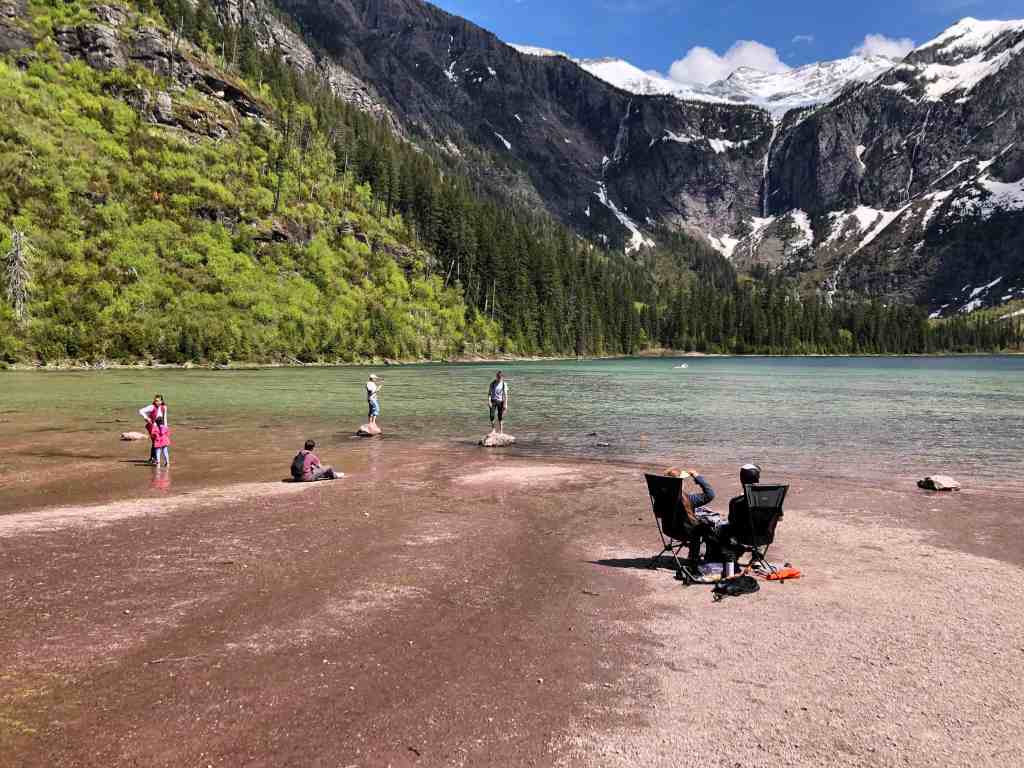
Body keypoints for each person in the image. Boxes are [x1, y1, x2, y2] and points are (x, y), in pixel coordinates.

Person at [139, 394, 168, 464]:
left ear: (161, 401)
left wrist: (166, 427)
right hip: (153, 426)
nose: (156, 402)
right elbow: (140, 411)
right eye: (155, 401)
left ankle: (153, 458)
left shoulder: (164, 407)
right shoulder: (151, 407)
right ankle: (154, 459)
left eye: (158, 401)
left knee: (161, 442)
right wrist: (146, 418)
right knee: (155, 441)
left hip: (161, 426)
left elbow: (165, 418)